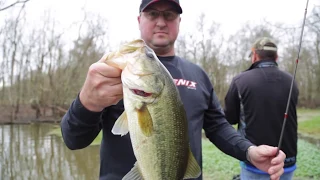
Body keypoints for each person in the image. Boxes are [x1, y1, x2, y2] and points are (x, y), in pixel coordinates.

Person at [60, 1, 286, 180]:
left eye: (168, 15)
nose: (161, 22)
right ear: (140, 20)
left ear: (178, 21)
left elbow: (217, 126)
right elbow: (73, 139)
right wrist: (87, 103)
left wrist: (249, 151)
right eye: (152, 14)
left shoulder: (198, 74)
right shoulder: (111, 74)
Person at [224, 37, 299, 180]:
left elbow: (229, 118)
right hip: (286, 162)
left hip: (254, 162)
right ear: (276, 57)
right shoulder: (292, 81)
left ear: (255, 56)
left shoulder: (241, 80)